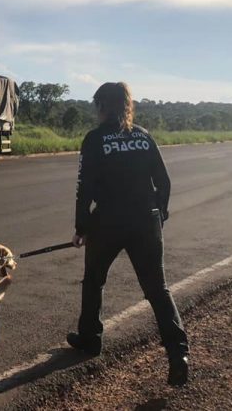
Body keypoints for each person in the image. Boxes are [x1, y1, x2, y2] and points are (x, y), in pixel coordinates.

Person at [66, 82, 190, 386]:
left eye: (97, 106)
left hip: (108, 222)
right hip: (145, 222)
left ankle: (91, 338)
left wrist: (81, 228)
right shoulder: (144, 137)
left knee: (94, 280)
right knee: (157, 289)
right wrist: (159, 214)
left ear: (103, 107)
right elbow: (164, 181)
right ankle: (179, 354)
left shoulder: (95, 140)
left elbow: (85, 190)